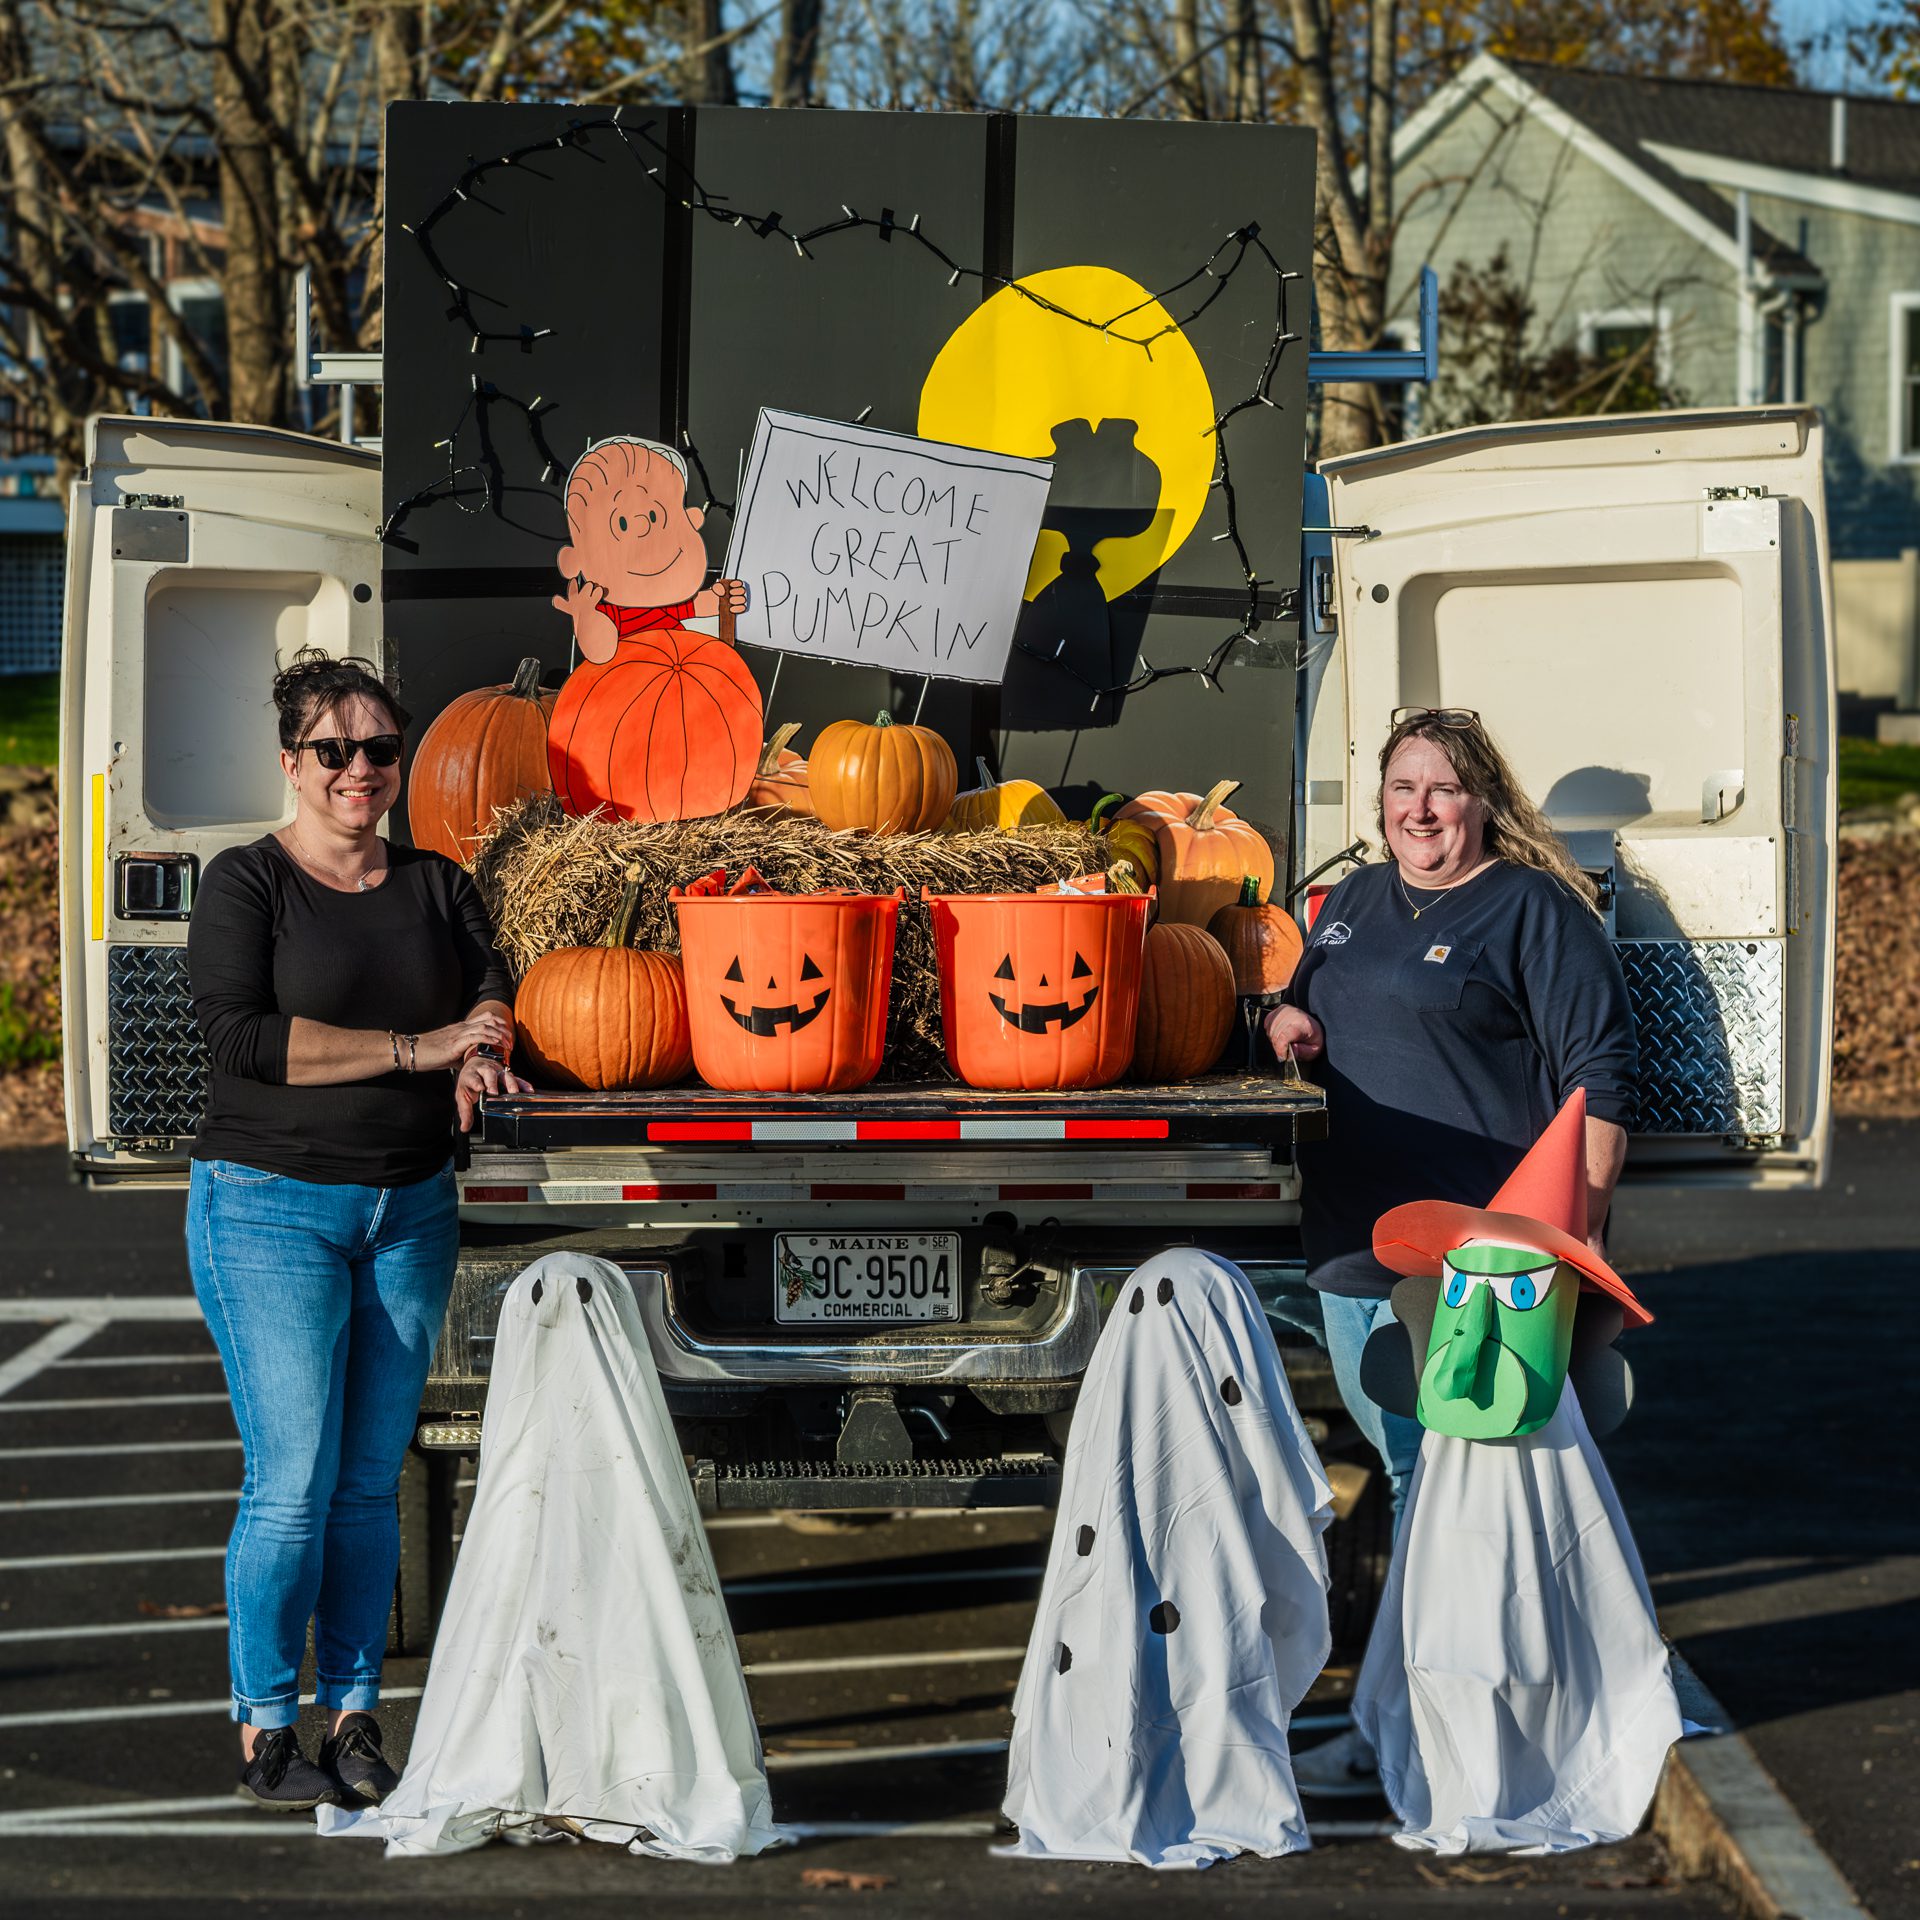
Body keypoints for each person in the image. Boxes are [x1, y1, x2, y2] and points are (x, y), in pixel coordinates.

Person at [1264, 707, 1637, 1796]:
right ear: (1378, 803)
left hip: (1484, 1265)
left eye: (1442, 790)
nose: (1420, 809)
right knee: (1418, 1482)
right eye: (1401, 790)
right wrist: (1290, 1028)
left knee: (1462, 1490)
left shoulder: (1533, 911)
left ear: (1481, 802)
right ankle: (1418, 1720)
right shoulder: (1350, 905)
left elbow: (1598, 1091)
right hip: (1352, 1249)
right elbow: (1315, 1009)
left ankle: (1448, 1730)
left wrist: (1577, 1249)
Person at [185, 649, 530, 1813]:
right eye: (334, 750)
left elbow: (493, 983)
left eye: (380, 749)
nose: (359, 770)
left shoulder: (438, 883)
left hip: (409, 1207)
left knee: (368, 1485)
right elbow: (244, 1039)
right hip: (269, 1204)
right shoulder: (247, 883)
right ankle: (264, 1718)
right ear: (292, 762)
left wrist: (481, 1041)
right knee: (292, 1479)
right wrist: (417, 1050)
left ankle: (354, 1715)